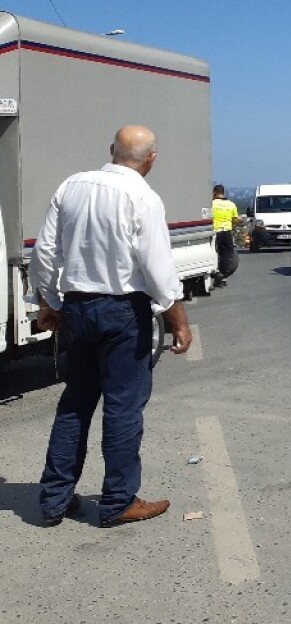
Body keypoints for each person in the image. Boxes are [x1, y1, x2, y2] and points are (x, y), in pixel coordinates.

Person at [31, 125, 194, 528]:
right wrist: (179, 322)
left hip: (77, 309)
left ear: (111, 151)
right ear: (152, 159)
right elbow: (158, 268)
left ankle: (54, 499)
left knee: (75, 403)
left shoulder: (71, 186)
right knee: (122, 407)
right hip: (123, 312)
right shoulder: (142, 196)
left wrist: (48, 303)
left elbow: (45, 251)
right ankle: (118, 500)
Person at [211, 184, 239, 285]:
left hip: (215, 232)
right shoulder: (231, 204)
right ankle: (223, 275)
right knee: (227, 254)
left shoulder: (212, 204)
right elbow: (235, 220)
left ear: (214, 193)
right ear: (223, 193)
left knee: (215, 253)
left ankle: (215, 272)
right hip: (226, 232)